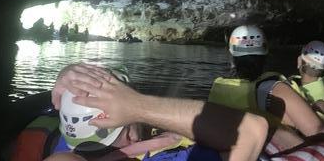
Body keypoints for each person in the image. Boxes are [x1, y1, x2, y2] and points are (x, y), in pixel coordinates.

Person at [14, 63, 269, 161]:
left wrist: (67, 73)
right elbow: (251, 130)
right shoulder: (178, 156)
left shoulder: (56, 144)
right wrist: (138, 106)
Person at [209, 25, 324, 140]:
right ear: (265, 54)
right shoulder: (276, 89)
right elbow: (320, 133)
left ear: (231, 54)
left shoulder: (219, 86)